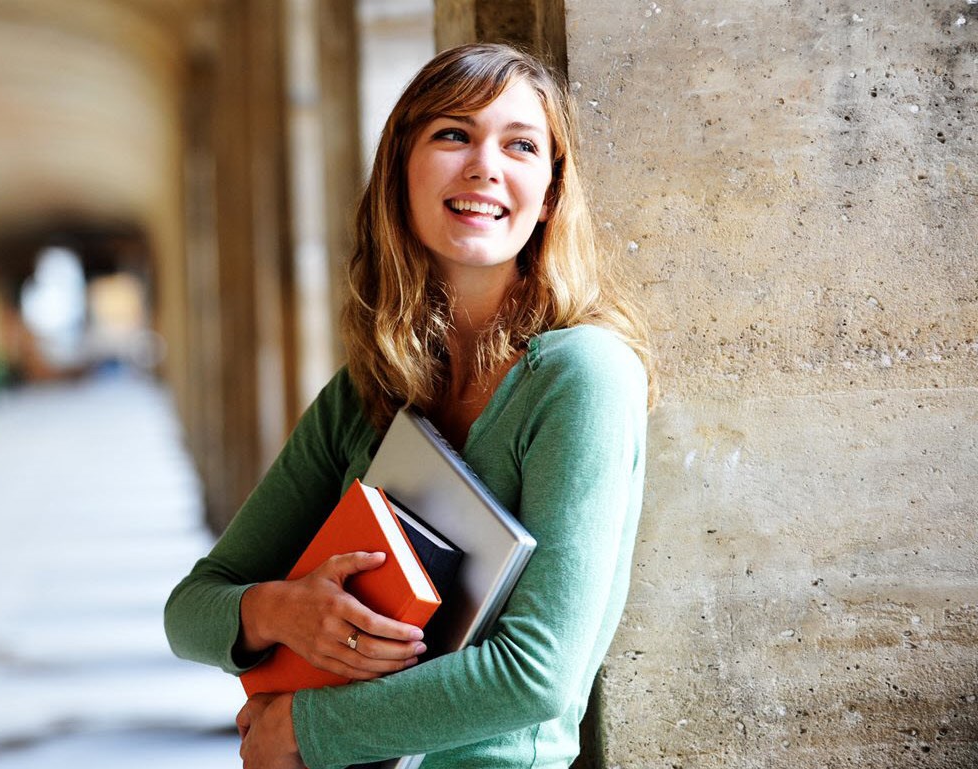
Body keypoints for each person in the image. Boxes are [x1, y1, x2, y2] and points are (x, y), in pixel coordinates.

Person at [164, 42, 652, 769]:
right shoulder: (365, 392)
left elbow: (536, 673)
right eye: (453, 133)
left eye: (521, 145)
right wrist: (281, 609)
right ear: (399, 169)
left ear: (550, 192)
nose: (485, 164)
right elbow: (190, 609)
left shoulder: (581, 375)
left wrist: (303, 728)